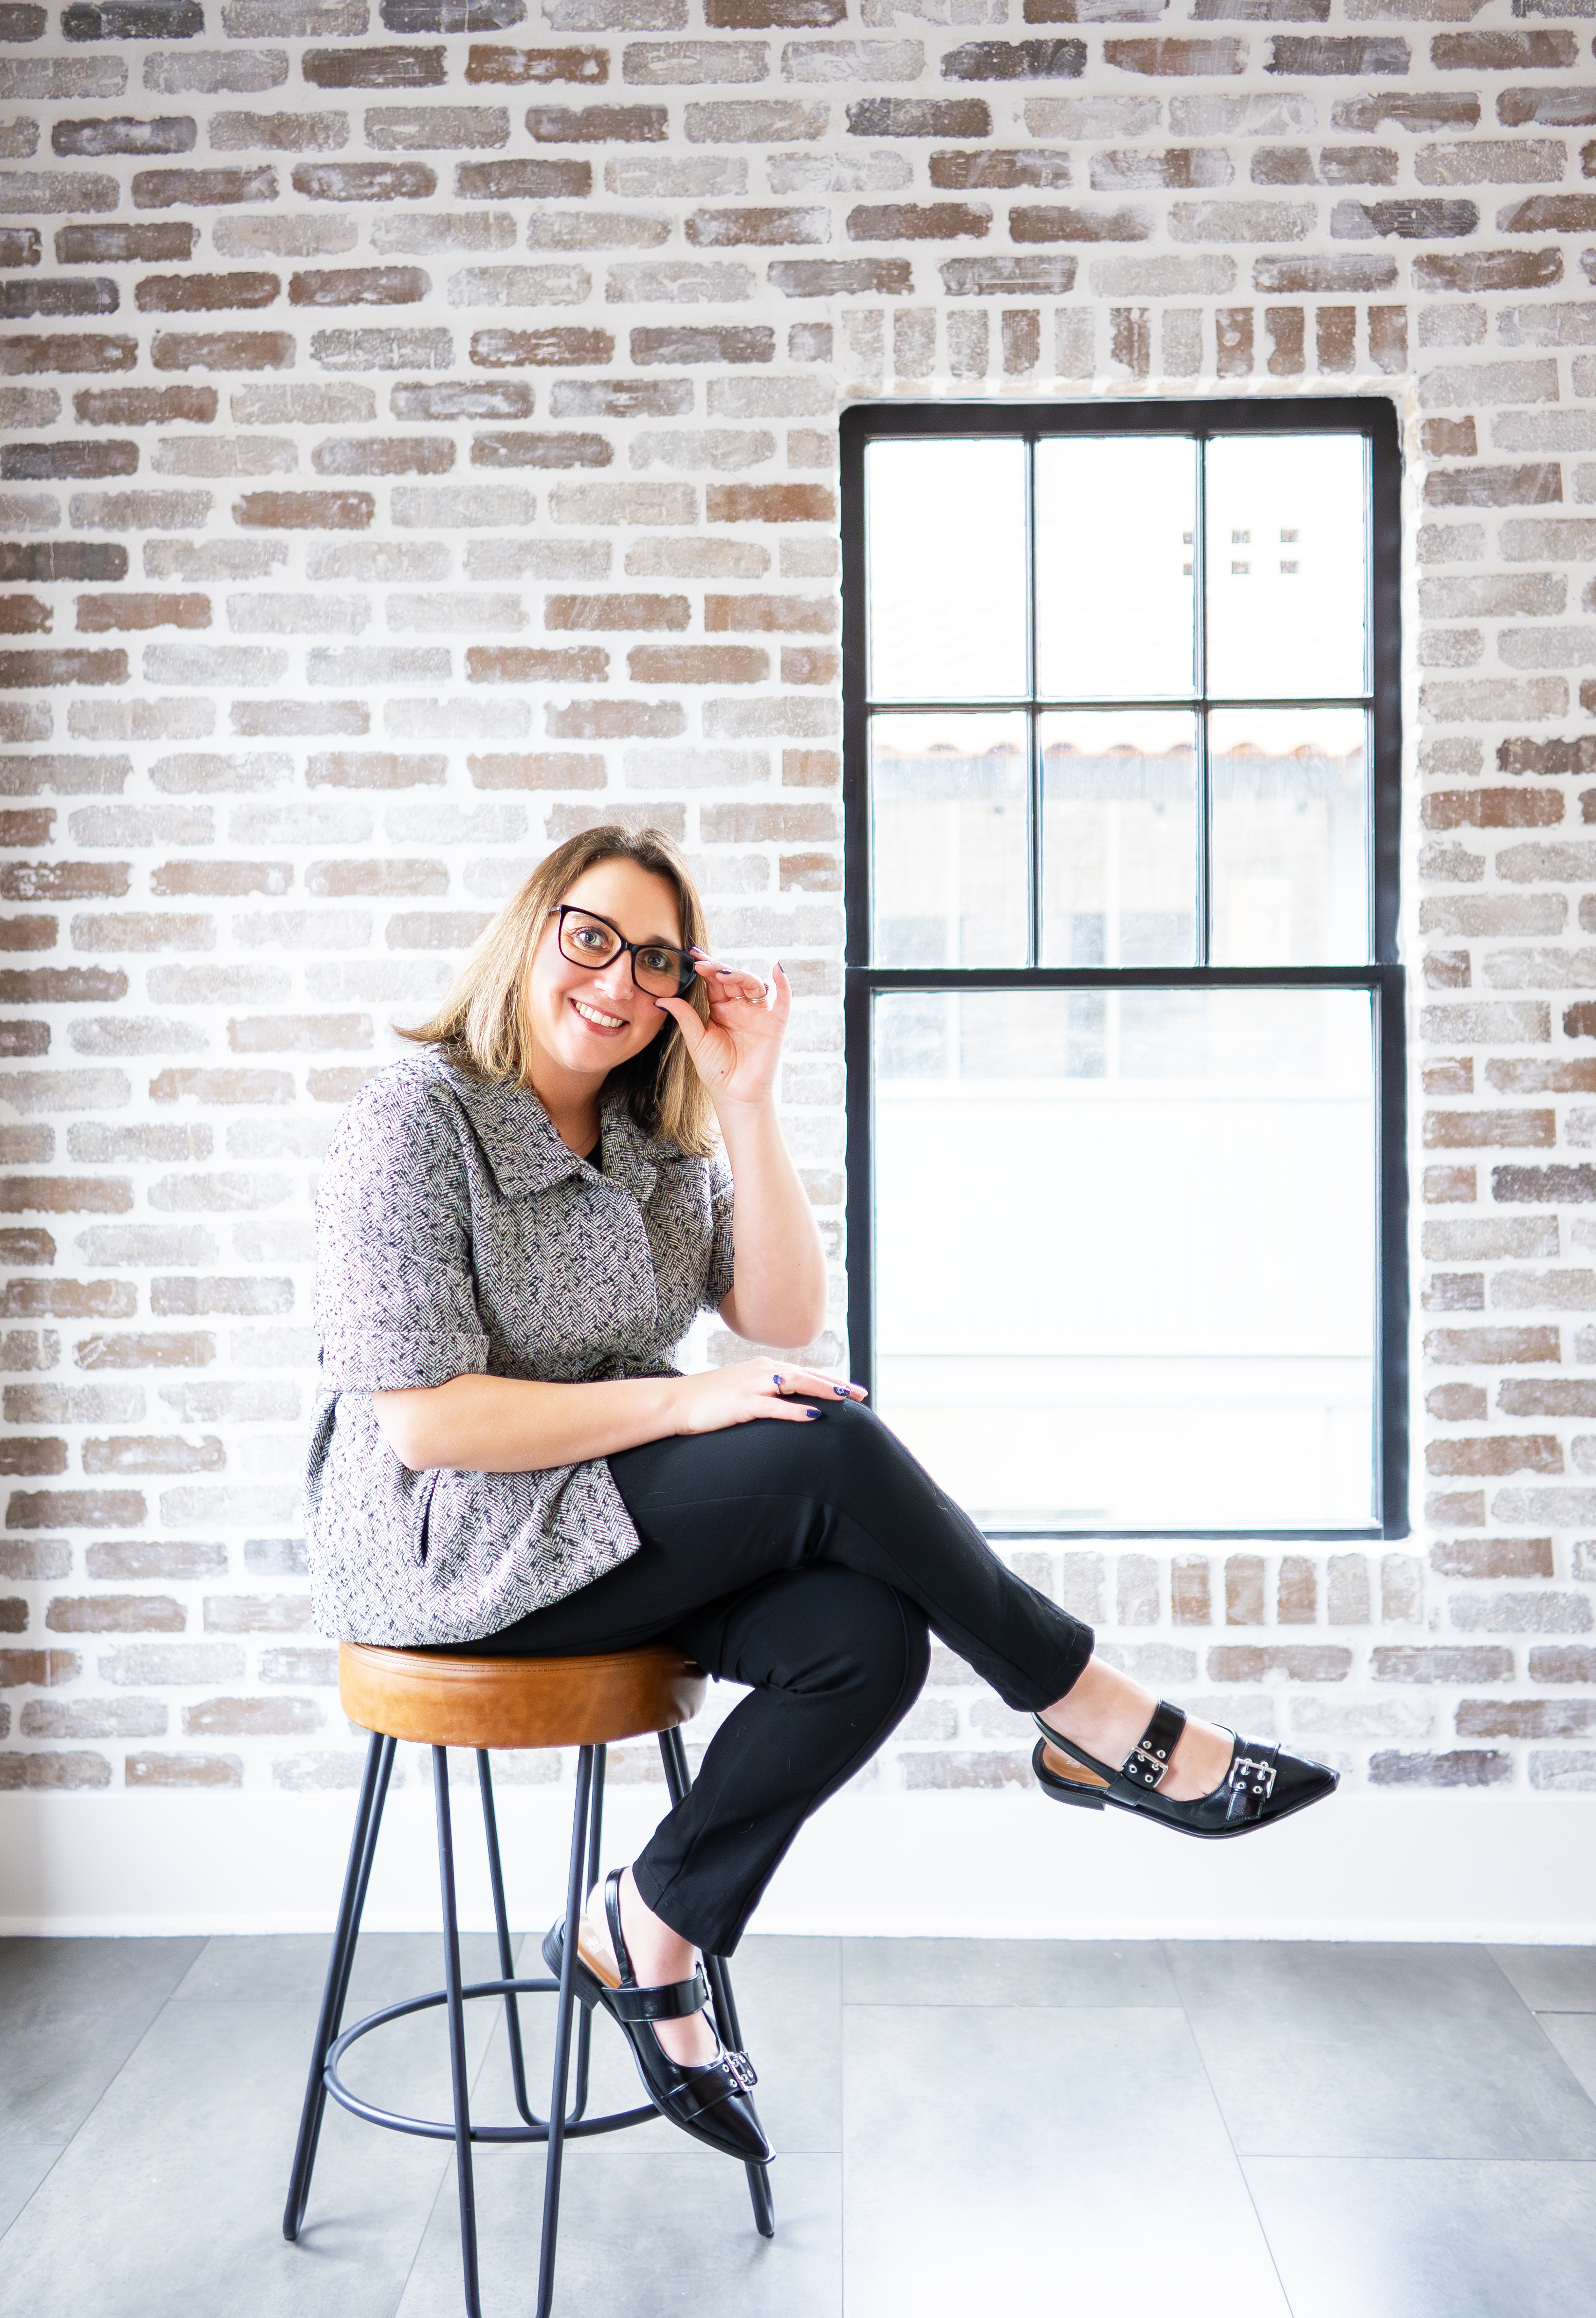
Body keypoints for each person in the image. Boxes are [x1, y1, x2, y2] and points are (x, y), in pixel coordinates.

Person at [307, 823, 1336, 2166]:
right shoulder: (417, 1117)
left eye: (656, 960)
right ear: (534, 925)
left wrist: (746, 1097)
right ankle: (1087, 1712)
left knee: (864, 1638)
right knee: (823, 1440)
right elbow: (433, 1425)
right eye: (592, 936)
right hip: (449, 1553)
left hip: (601, 1523)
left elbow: (778, 1306)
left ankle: (647, 1926)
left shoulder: (648, 1139)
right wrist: (687, 1401)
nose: (617, 981)